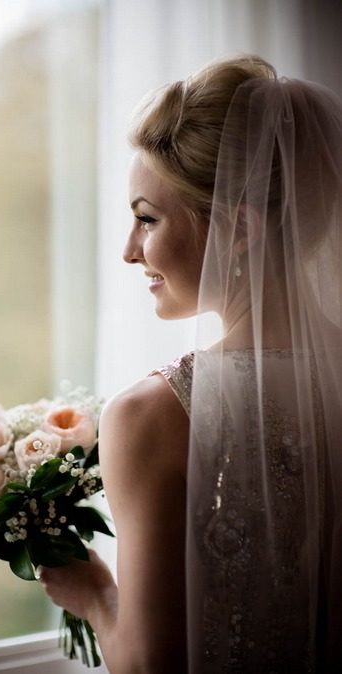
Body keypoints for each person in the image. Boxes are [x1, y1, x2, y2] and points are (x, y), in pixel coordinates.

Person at [40, 54, 342, 673]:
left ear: (240, 230)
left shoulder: (157, 414)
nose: (130, 252)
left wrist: (94, 595)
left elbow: (153, 666)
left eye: (147, 219)